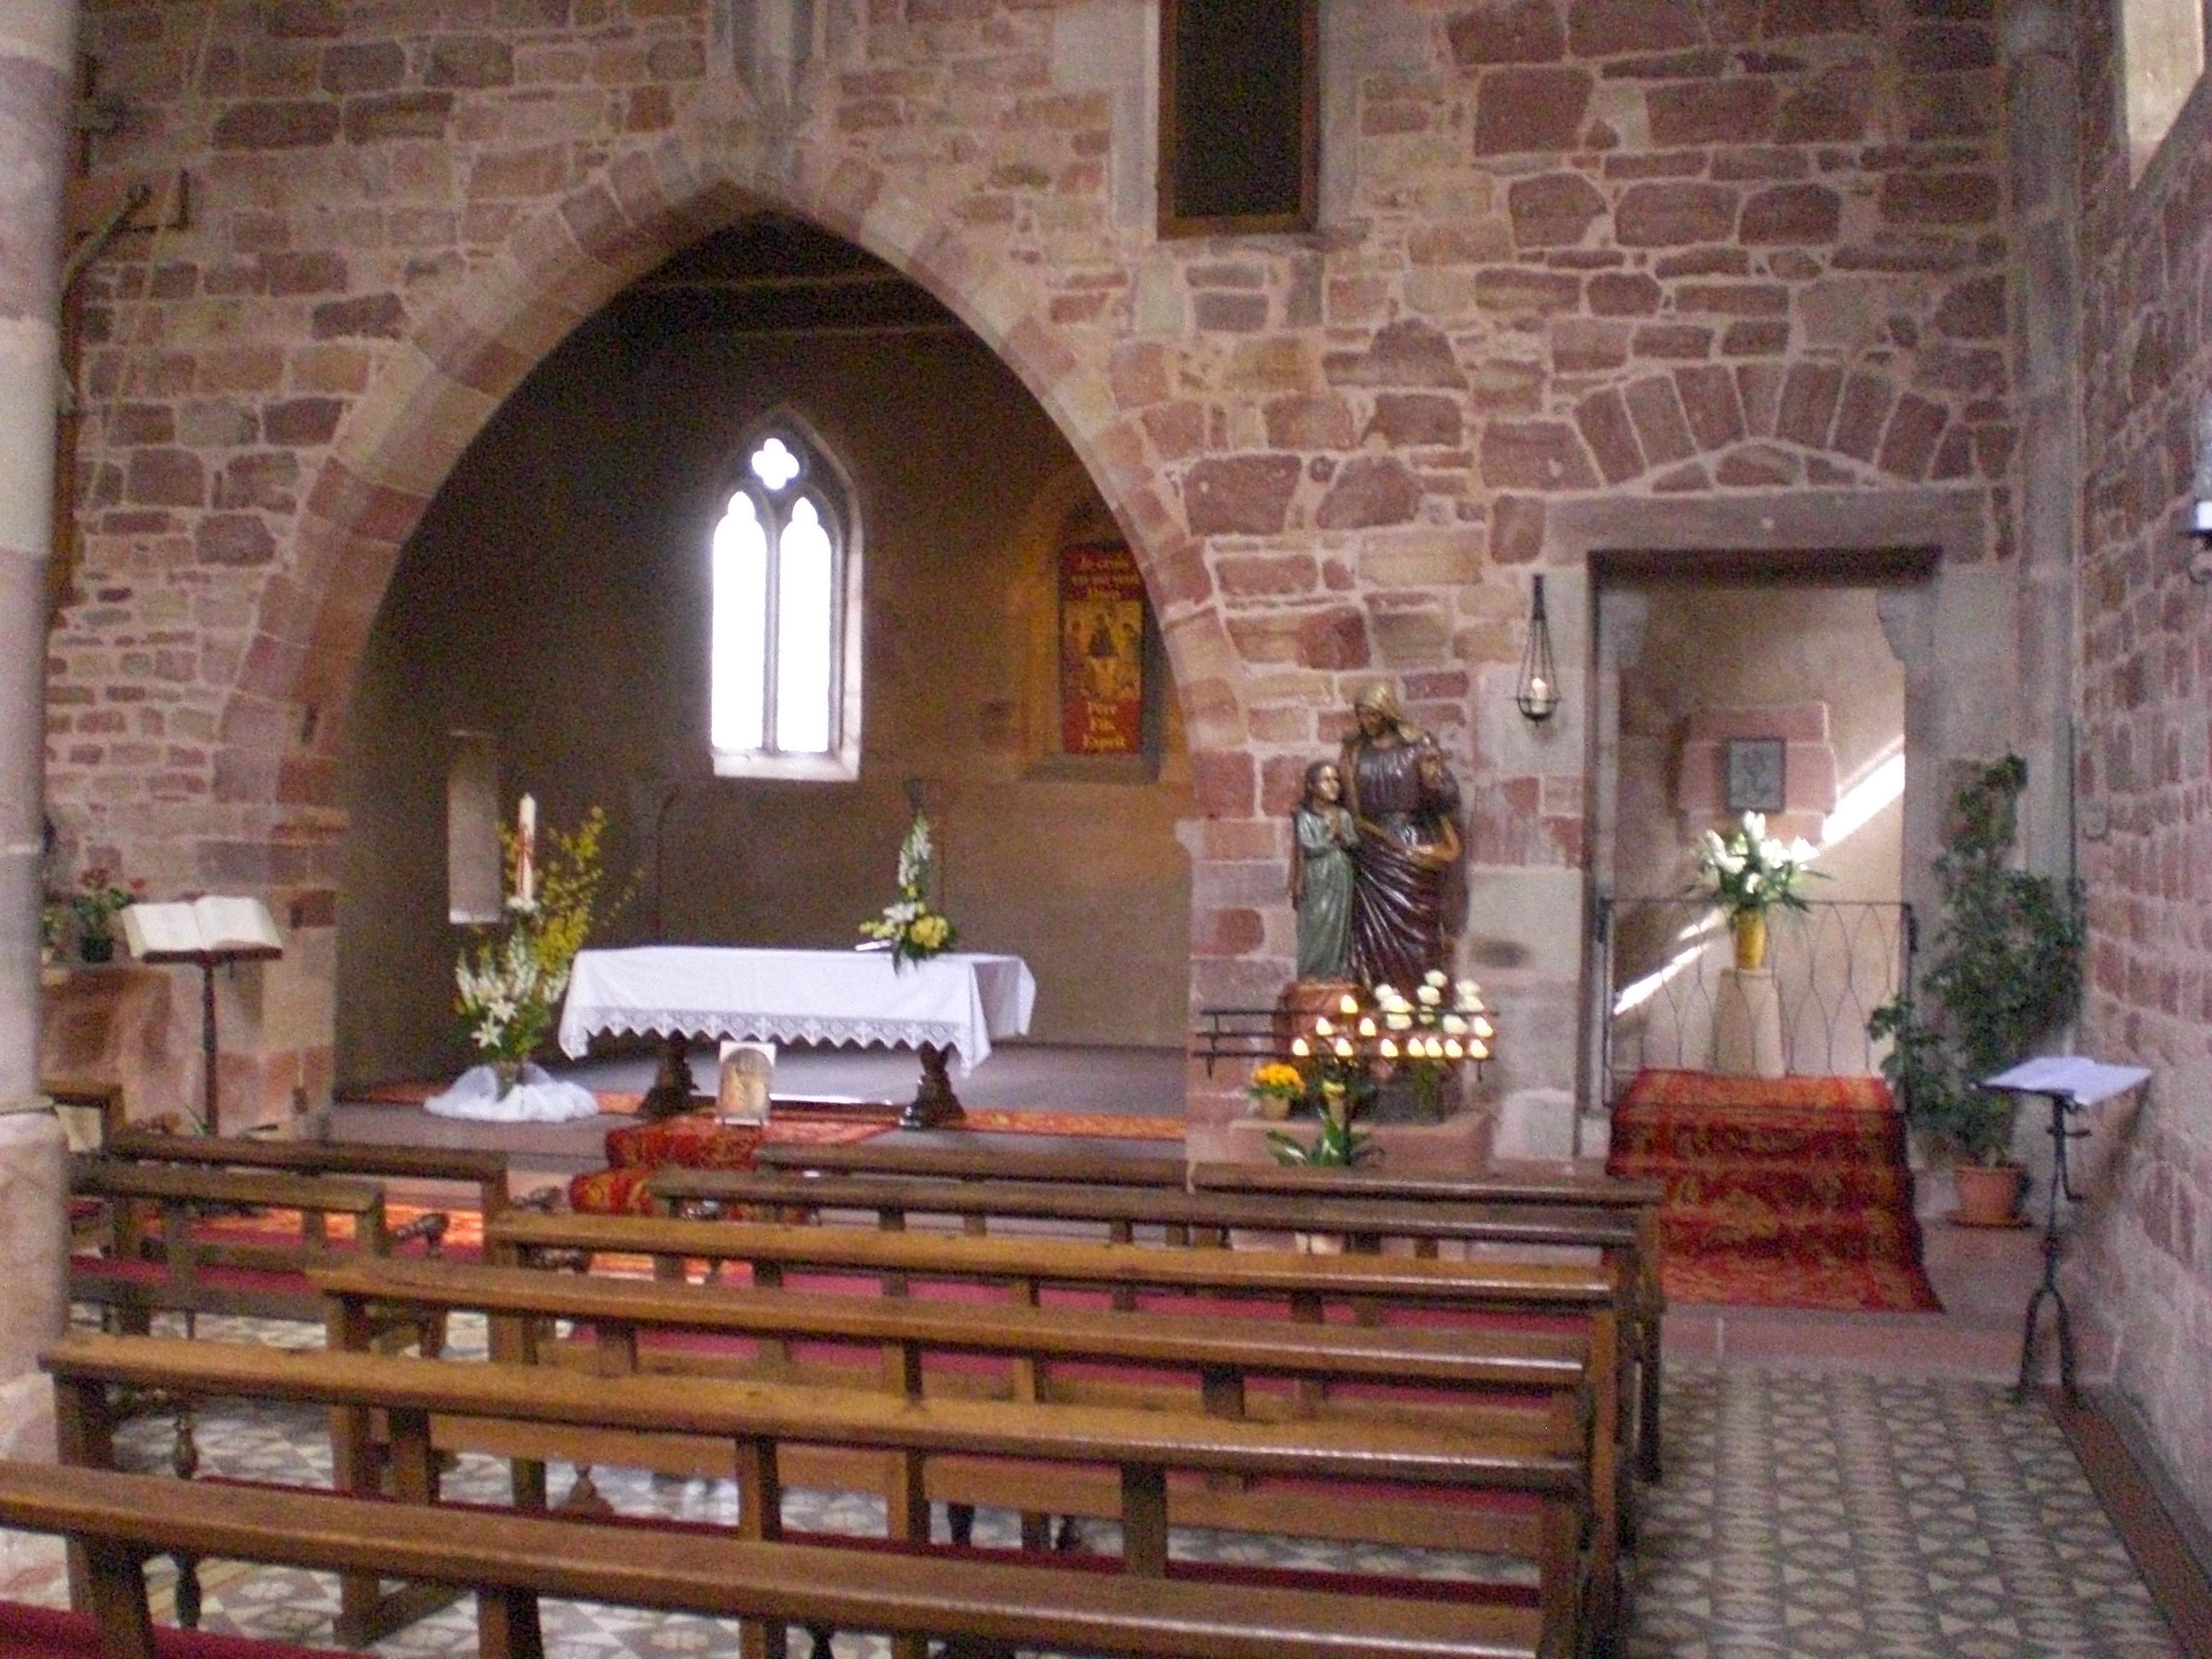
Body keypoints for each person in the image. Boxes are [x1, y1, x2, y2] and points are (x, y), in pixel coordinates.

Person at [1336, 683, 1462, 991]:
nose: (1366, 722)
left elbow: (1446, 799)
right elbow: (1342, 797)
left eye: (1373, 715)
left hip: (1409, 841)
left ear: (1388, 713)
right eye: (1362, 715)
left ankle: (1423, 996)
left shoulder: (1418, 745)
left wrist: (1437, 783)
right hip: (1370, 846)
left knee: (1418, 924)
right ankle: (1374, 994)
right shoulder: (1354, 750)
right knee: (1369, 931)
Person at [1290, 759, 1357, 981]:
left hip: (1341, 875)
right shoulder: (1305, 816)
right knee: (1316, 921)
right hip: (1317, 875)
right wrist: (1331, 835)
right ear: (1312, 786)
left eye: (1336, 780)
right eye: (1326, 780)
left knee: (1338, 923)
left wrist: (1343, 835)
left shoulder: (1343, 815)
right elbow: (1309, 845)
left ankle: (1335, 970)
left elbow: (1353, 843)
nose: (1334, 785)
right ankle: (1311, 971)